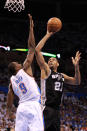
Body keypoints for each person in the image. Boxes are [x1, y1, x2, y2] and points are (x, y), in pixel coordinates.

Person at [35, 30, 81, 131]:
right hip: (45, 108)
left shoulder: (62, 75)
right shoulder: (46, 71)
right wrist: (48, 34)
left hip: (56, 111)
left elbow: (77, 81)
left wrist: (76, 67)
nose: (50, 60)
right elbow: (37, 50)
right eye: (49, 60)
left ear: (58, 64)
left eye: (53, 59)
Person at [7, 14, 44, 131]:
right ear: (16, 67)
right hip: (33, 105)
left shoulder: (12, 81)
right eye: (17, 63)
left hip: (21, 107)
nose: (19, 62)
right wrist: (31, 29)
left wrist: (8, 110)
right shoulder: (25, 69)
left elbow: (10, 96)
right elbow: (31, 47)